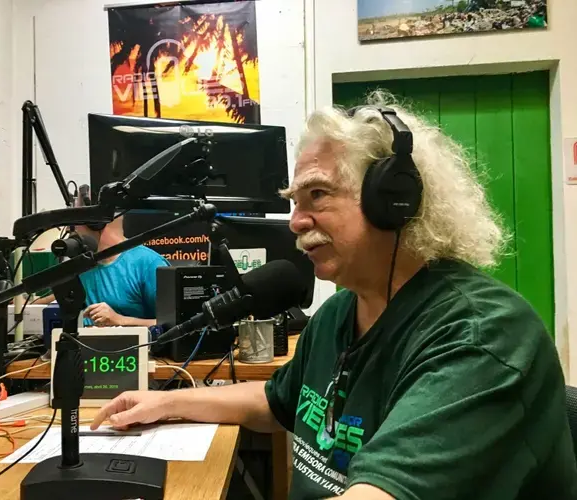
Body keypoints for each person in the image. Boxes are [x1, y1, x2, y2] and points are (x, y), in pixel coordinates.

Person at [90, 93, 577, 499]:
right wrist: (167, 403)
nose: (297, 222)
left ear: (394, 199)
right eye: (293, 203)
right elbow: (279, 399)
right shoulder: (342, 310)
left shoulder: (481, 335)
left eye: (317, 196)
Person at [35, 196, 169, 328]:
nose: (73, 230)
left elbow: (175, 325)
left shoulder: (148, 264)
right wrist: (34, 303)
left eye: (76, 224)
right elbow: (74, 293)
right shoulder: (83, 263)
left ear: (96, 224)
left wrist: (120, 320)